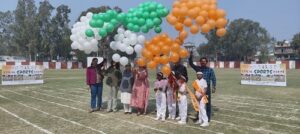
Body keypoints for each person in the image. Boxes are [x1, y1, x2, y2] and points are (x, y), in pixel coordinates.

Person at [189, 52, 217, 122]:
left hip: (206, 89)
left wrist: (214, 87)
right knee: (198, 103)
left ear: (206, 62)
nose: (203, 63)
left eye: (204, 62)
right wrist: (190, 57)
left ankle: (208, 118)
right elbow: (191, 64)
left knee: (207, 103)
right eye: (201, 62)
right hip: (198, 89)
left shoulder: (210, 70)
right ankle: (199, 117)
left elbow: (213, 78)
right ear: (200, 62)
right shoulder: (198, 68)